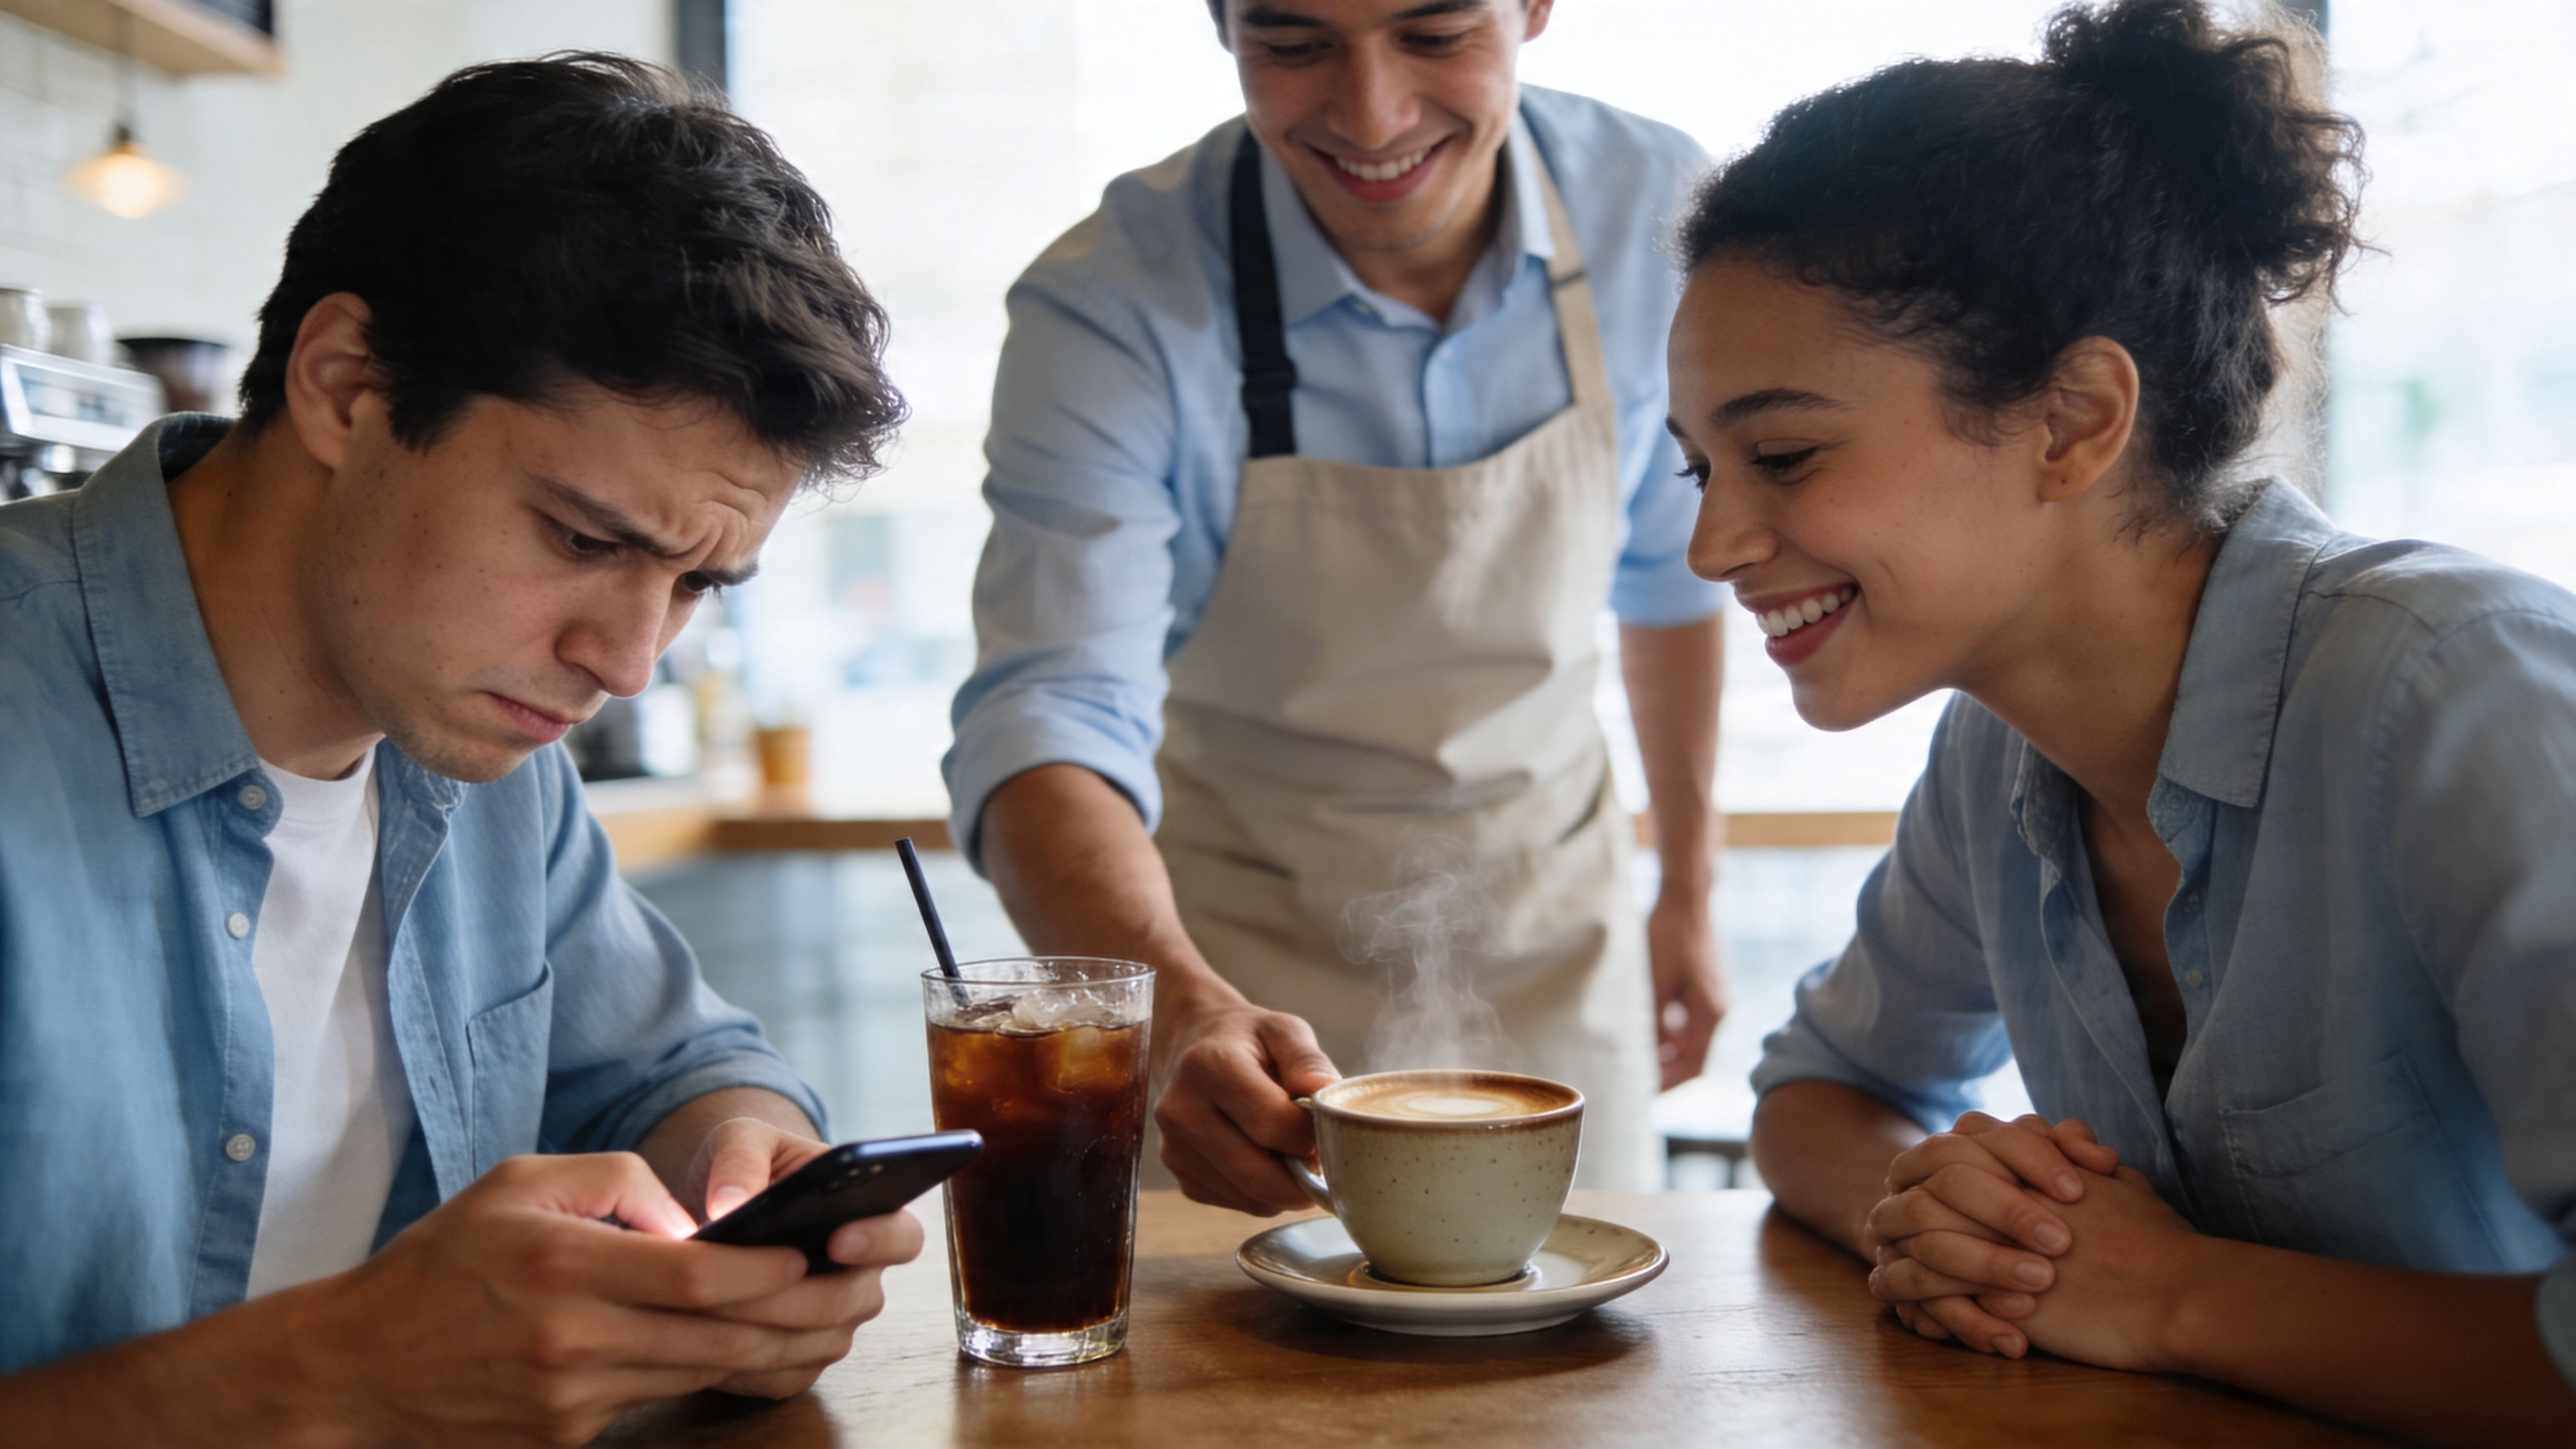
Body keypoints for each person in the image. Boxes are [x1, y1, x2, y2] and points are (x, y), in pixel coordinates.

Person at [1662, 0, 2576, 1440]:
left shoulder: (2464, 696)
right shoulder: (1996, 751)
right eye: (1695, 470)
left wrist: (2162, 1296)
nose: (1711, 546)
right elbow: (1820, 1098)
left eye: (1780, 453)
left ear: (2075, 419)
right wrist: (1960, 1212)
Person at [0, 56, 921, 1444]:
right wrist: (334, 1373)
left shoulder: (482, 752)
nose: (625, 660)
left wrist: (748, 1188)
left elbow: (668, 1073)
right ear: (344, 383)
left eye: (693, 585)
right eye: (582, 540)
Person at [945, 0, 1729, 1208]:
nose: (1373, 116)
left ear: (1532, 9)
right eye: (1294, 44)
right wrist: (1182, 1008)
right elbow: (1049, 712)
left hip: (1556, 945)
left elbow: (1673, 579)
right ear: (1219, 23)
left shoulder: (1660, 212)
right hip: (1229, 976)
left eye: (1435, 34)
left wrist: (1688, 886)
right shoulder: (1112, 301)